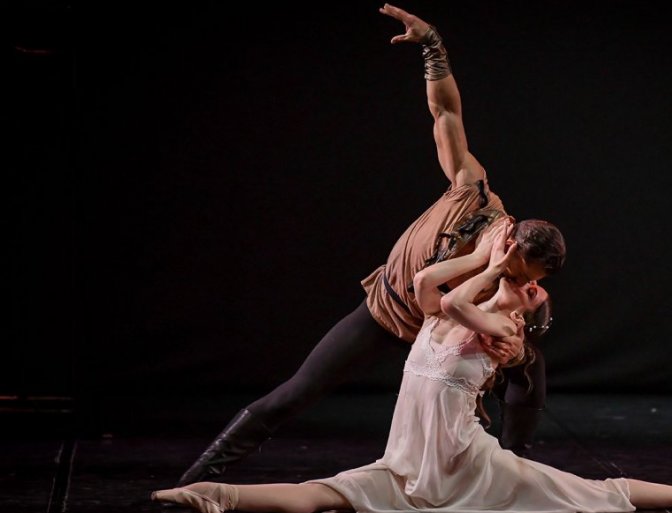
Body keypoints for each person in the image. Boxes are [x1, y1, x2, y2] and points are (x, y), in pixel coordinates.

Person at [151, 193, 672, 512]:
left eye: (533, 290)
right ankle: (213, 495)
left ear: (522, 313)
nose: (531, 287)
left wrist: (492, 273)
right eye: (530, 280)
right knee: (324, 494)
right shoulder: (463, 305)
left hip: (461, 460)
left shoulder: (498, 329)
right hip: (413, 460)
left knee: (595, 495)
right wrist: (488, 262)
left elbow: (443, 299)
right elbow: (425, 287)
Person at [175, 0, 567, 489]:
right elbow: (445, 112)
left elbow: (489, 316)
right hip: (387, 311)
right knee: (298, 390)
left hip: (442, 337)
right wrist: (433, 47)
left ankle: (512, 473)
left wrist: (519, 339)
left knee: (530, 369)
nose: (514, 279)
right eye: (517, 270)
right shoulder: (473, 192)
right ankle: (196, 479)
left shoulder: (503, 280)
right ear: (510, 237)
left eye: (525, 279)